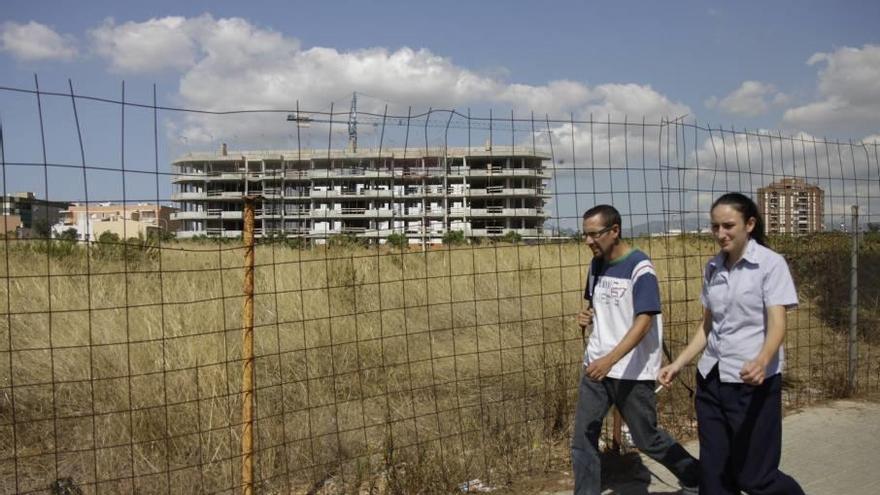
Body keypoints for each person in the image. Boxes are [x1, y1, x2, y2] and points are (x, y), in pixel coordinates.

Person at [658, 193, 805, 494]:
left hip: (751, 382)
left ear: (749, 224)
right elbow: (708, 326)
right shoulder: (713, 267)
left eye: (728, 225)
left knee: (755, 476)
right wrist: (678, 363)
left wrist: (763, 360)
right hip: (712, 380)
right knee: (715, 475)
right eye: (715, 227)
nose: (720, 234)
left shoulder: (769, 265)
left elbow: (778, 324)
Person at [572, 205, 700, 495]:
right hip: (595, 366)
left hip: (631, 369)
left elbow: (644, 321)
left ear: (614, 230)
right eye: (584, 235)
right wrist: (586, 317)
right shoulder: (596, 264)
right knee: (583, 438)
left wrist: (610, 359)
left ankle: (696, 476)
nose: (588, 241)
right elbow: (595, 304)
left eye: (593, 234)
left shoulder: (640, 267)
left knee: (647, 439)